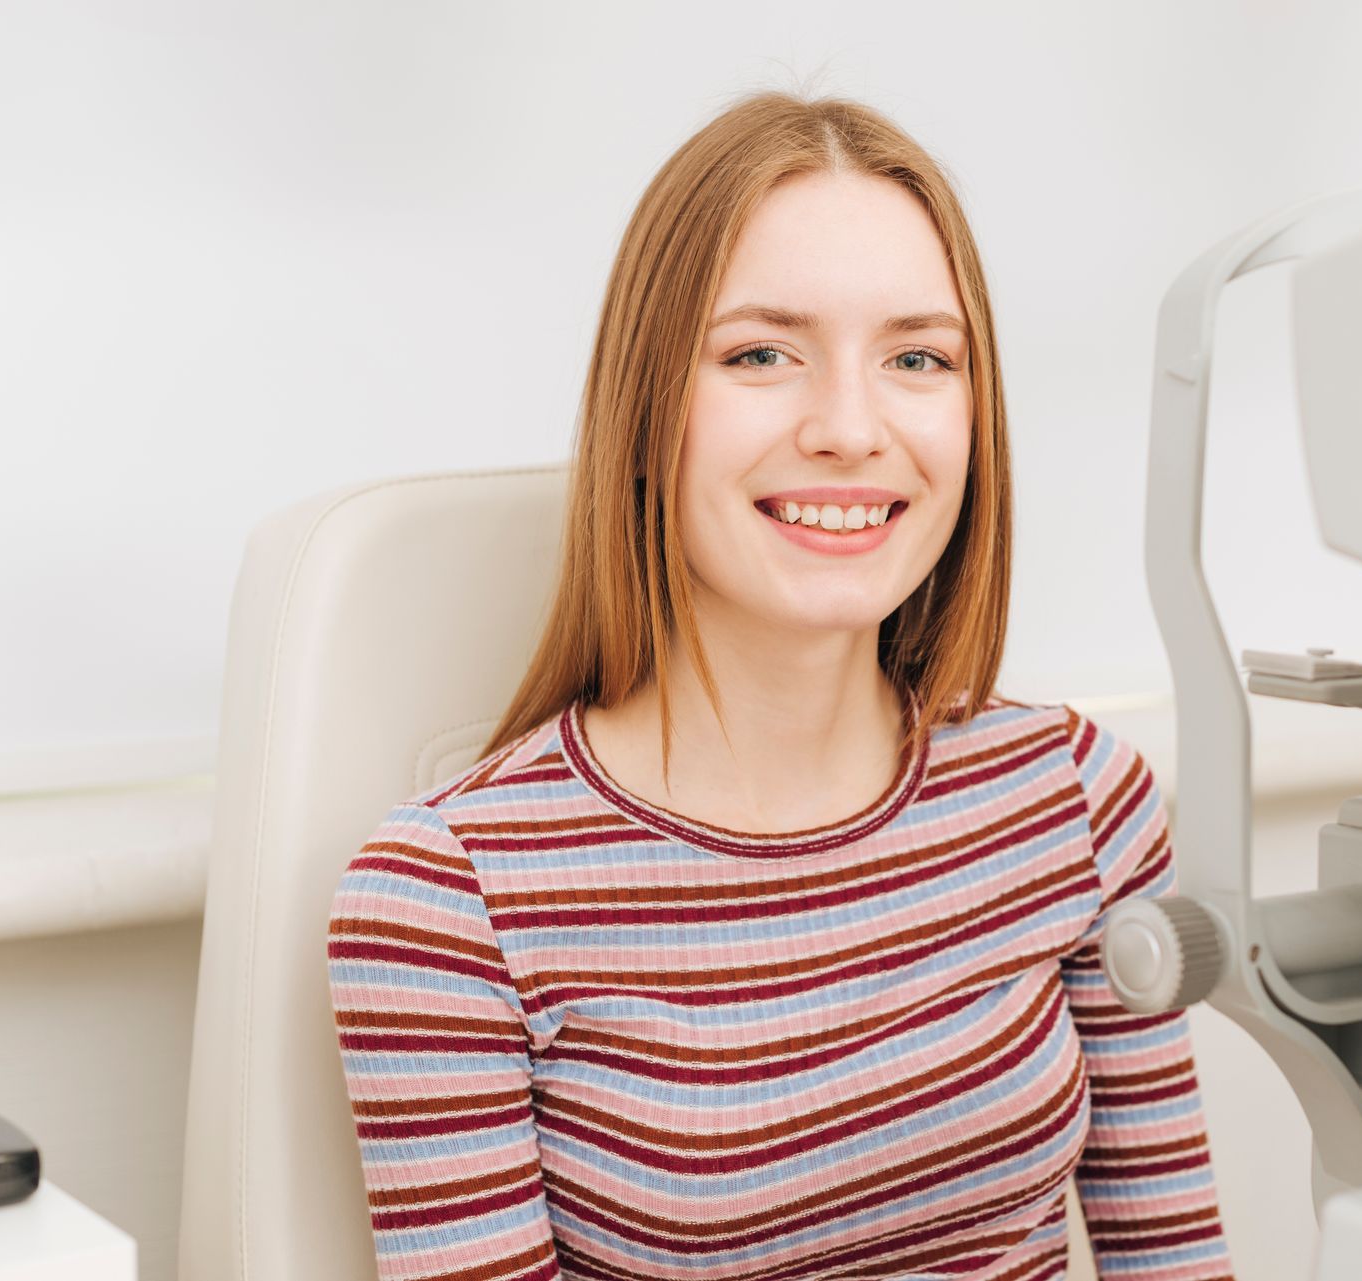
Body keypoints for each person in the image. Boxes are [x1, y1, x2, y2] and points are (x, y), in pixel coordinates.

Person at [326, 90, 1235, 1281]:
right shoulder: (448, 909)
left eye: (918, 357)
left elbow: (1176, 1262)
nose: (852, 429)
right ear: (648, 408)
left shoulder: (1074, 798)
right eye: (762, 353)